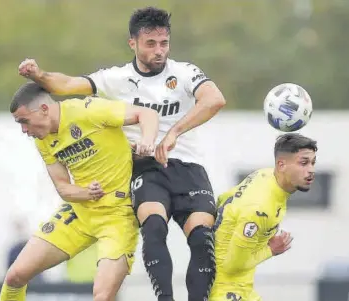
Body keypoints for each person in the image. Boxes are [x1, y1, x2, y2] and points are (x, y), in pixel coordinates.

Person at [18, 7, 226, 301]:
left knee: (203, 240)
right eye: (150, 44)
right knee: (154, 228)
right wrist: (39, 74)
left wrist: (174, 133)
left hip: (188, 167)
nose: (159, 51)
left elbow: (214, 99)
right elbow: (66, 85)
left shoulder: (184, 72)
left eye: (164, 43)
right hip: (145, 169)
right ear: (133, 43)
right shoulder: (115, 79)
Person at [0, 82, 159, 301]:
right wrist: (86, 193)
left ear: (44, 109)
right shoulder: (43, 139)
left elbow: (146, 114)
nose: (24, 131)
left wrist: (147, 140)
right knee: (15, 276)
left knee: (102, 296)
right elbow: (63, 187)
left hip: (117, 216)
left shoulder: (88, 110)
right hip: (80, 213)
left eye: (24, 121)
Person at [209, 133, 317, 301]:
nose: (311, 170)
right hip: (227, 290)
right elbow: (233, 266)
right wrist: (271, 250)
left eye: (312, 163)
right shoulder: (260, 209)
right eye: (303, 163)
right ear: (281, 165)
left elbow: (223, 198)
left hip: (243, 288)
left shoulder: (263, 174)